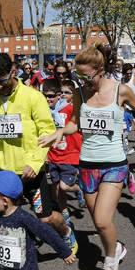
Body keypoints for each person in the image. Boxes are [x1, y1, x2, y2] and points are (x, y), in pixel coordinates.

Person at [39, 43, 135, 270]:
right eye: (78, 76)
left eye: (87, 75)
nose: (83, 80)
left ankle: (110, 259)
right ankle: (117, 247)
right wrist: (59, 132)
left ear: (101, 69)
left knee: (104, 220)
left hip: (114, 163)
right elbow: (75, 124)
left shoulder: (121, 91)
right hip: (87, 165)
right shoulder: (80, 93)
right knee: (97, 220)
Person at [0, 53, 76, 253]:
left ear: (13, 72)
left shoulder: (33, 97)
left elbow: (47, 132)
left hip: (31, 171)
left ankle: (66, 233)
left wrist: (36, 162)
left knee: (46, 218)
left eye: (2, 80)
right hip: (5, 171)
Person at [42, 79, 83, 222]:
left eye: (51, 96)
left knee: (64, 186)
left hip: (70, 153)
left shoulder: (70, 108)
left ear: (59, 96)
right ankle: (64, 211)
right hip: (53, 154)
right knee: (56, 189)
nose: (48, 99)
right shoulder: (44, 111)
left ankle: (80, 189)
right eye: (45, 96)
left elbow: (79, 124)